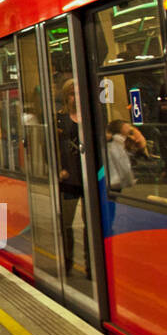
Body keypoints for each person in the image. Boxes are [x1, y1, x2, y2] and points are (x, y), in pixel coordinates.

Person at [55, 78, 89, 279]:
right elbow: (49, 147)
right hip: (68, 180)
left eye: (78, 93)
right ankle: (67, 263)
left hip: (88, 180)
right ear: (66, 97)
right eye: (71, 94)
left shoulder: (89, 115)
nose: (75, 98)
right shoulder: (59, 119)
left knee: (89, 225)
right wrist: (58, 169)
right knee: (66, 223)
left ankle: (91, 267)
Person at [106, 119, 135, 194]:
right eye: (125, 126)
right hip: (115, 179)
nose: (129, 127)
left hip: (116, 179)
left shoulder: (122, 141)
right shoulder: (115, 141)